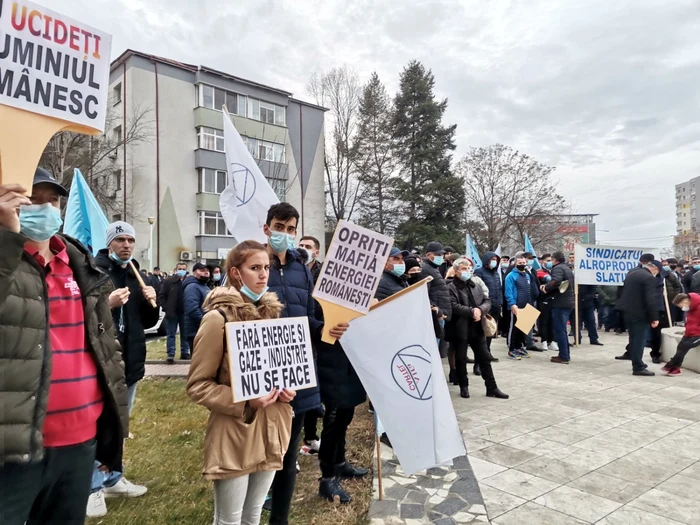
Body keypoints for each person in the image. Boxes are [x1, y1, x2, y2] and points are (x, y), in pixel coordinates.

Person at [0, 172, 128, 525]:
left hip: (79, 442)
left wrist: (109, 431)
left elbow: (105, 348)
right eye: (32, 200)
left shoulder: (79, 265)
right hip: (14, 450)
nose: (43, 209)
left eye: (51, 201)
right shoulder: (5, 261)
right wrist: (6, 239)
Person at [187, 241, 296, 525]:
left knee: (253, 515)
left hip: (271, 430)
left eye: (266, 268)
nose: (263, 275)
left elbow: (278, 368)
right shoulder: (217, 319)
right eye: (255, 268)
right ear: (236, 273)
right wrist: (246, 400)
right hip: (235, 433)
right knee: (229, 520)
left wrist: (288, 387)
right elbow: (198, 385)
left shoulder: (272, 313)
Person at [261, 203, 350, 523]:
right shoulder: (255, 263)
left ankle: (280, 517)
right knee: (263, 451)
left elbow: (308, 318)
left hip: (298, 369)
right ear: (266, 228)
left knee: (288, 453)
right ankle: (254, 503)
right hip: (264, 369)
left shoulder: (301, 269)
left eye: (290, 228)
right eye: (278, 226)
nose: (284, 233)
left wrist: (325, 329)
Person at [88, 221, 158, 516]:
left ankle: (113, 478)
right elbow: (85, 314)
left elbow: (143, 322)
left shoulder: (134, 273)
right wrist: (108, 302)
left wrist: (151, 303)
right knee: (98, 426)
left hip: (130, 362)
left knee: (120, 425)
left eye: (130, 240)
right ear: (109, 244)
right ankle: (91, 486)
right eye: (120, 240)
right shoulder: (96, 272)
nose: (127, 245)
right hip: (103, 364)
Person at [446, 257, 509, 400]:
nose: (467, 271)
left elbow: (487, 301)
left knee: (484, 358)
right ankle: (464, 386)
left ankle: (492, 387)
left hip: (477, 327)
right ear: (456, 271)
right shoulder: (450, 287)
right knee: (461, 359)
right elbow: (453, 305)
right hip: (459, 328)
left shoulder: (475, 285)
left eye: (468, 268)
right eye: (463, 268)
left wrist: (480, 310)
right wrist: (471, 311)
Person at [297, 236, 325, 458]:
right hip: (296, 337)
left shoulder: (324, 274)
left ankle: (311, 437)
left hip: (317, 334)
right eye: (301, 245)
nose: (303, 249)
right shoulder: (292, 269)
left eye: (308, 247)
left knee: (311, 391)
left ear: (316, 252)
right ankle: (291, 447)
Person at [616, 260, 661, 376]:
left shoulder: (632, 274)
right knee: (639, 340)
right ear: (655, 269)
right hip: (640, 314)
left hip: (627, 311)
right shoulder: (649, 278)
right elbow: (650, 300)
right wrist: (654, 317)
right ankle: (638, 367)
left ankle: (636, 360)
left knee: (633, 338)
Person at [543, 251, 575, 364]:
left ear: (555, 260)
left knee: (560, 330)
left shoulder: (557, 268)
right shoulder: (567, 268)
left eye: (551, 259)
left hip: (561, 303)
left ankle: (563, 356)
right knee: (562, 330)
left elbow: (556, 281)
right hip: (568, 302)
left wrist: (546, 288)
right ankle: (565, 353)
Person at [504, 255, 538, 359]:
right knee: (513, 328)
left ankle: (519, 347)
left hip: (527, 305)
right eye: (520, 263)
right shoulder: (510, 276)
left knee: (522, 328)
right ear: (515, 264)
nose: (522, 265)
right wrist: (512, 304)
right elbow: (508, 292)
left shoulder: (527, 275)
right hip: (516, 306)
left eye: (524, 263)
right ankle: (511, 349)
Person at [158, 262, 190, 362]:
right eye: (180, 268)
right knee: (171, 334)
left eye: (183, 269)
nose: (181, 271)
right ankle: (170, 354)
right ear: (176, 269)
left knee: (185, 334)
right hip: (172, 312)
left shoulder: (188, 282)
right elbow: (161, 296)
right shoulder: (169, 281)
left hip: (185, 312)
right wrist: (166, 308)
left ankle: (185, 352)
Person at [474, 250, 503, 357]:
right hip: (485, 306)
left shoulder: (496, 274)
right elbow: (478, 290)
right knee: (482, 332)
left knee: (490, 331)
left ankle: (488, 352)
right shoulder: (479, 272)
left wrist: (500, 303)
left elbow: (499, 289)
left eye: (496, 260)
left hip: (495, 306)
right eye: (492, 260)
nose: (494, 262)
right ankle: (481, 355)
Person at [662, 293, 700, 375]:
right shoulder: (690, 308)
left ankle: (671, 364)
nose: (681, 308)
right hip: (689, 333)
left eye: (680, 305)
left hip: (698, 335)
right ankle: (676, 368)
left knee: (685, 345)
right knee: (680, 347)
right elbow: (689, 321)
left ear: (685, 301)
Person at [183, 262, 211, 354]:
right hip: (196, 331)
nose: (206, 272)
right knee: (198, 362)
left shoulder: (204, 286)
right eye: (202, 270)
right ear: (195, 273)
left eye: (207, 270)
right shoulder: (192, 287)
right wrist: (205, 322)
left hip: (204, 329)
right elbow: (192, 309)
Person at [535, 254, 556, 352]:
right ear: (542, 261)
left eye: (551, 260)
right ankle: (544, 341)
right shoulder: (539, 272)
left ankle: (552, 341)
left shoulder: (554, 271)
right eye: (547, 260)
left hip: (554, 299)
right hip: (543, 299)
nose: (549, 262)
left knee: (552, 321)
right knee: (544, 321)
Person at [663, 260, 683, 325]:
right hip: (663, 300)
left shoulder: (671, 275)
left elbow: (677, 286)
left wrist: (674, 296)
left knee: (672, 316)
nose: (665, 266)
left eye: (666, 265)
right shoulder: (658, 276)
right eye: (663, 265)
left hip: (671, 299)